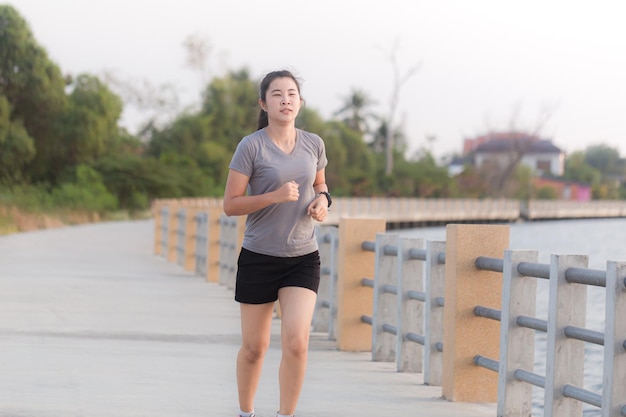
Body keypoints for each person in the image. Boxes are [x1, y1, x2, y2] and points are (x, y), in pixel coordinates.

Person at [223, 69, 331, 417]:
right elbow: (231, 204)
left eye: (291, 94)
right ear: (263, 103)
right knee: (255, 348)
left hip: (302, 256)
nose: (286, 100)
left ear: (300, 102)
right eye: (277, 94)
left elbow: (321, 185)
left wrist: (323, 202)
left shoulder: (313, 143)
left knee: (297, 342)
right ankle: (246, 413)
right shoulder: (250, 146)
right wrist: (274, 196)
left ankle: (287, 415)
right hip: (259, 256)